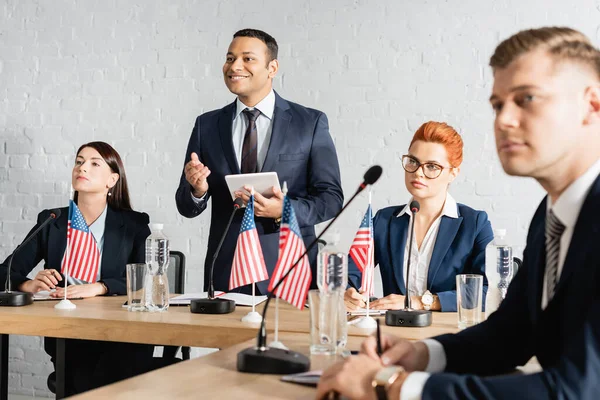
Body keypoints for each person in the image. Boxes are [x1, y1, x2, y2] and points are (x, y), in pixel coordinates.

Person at [317, 26, 600, 400]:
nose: (503, 120)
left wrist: (393, 385)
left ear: (592, 105)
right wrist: (422, 353)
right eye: (498, 105)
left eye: (526, 98)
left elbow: (578, 390)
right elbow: (510, 334)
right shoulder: (549, 217)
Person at [175, 28, 343, 294]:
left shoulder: (309, 123)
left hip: (290, 269)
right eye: (230, 58)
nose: (234, 66)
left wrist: (284, 210)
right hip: (227, 270)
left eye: (247, 58)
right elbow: (186, 206)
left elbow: (331, 199)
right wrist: (197, 190)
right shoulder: (207, 125)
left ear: (272, 67)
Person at [0, 142, 159, 395]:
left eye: (94, 163)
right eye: (79, 161)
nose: (82, 167)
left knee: (110, 377)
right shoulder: (52, 221)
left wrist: (100, 286)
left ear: (112, 179)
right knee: (85, 378)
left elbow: (146, 278)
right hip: (70, 330)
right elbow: (4, 272)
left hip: (122, 329)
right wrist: (28, 284)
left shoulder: (134, 223)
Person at [346, 121, 493, 312]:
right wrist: (347, 292)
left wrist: (421, 302)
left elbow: (490, 292)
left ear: (454, 173)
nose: (418, 173)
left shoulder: (475, 223)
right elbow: (349, 274)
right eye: (413, 162)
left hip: (449, 332)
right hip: (395, 329)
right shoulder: (384, 220)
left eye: (432, 166)